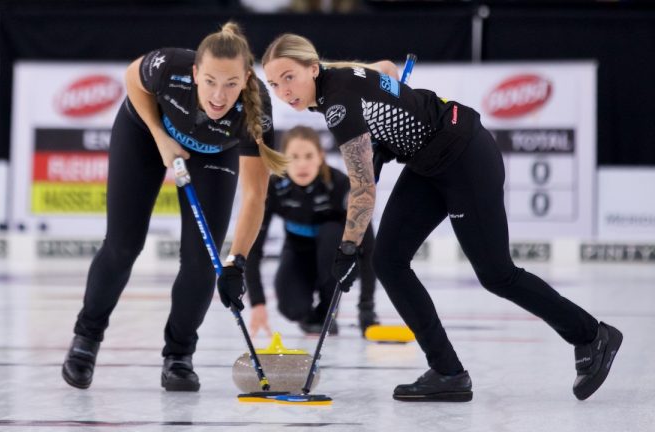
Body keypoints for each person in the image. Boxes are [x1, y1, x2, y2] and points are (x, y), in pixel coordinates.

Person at [261, 33, 622, 402]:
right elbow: (386, 70)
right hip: (428, 161)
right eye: (274, 83)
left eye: (290, 77)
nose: (284, 91)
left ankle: (593, 335)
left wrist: (349, 246)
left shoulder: (336, 103)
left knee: (497, 274)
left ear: (313, 68)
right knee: (388, 260)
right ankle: (448, 371)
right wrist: (385, 135)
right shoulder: (338, 79)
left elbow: (364, 187)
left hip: (464, 156)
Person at [61, 22, 287, 393]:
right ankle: (86, 338)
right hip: (145, 132)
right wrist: (159, 135)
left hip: (214, 154)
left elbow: (254, 194)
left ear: (246, 79)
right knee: (122, 245)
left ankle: (179, 356)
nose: (219, 95)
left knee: (202, 261)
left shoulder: (255, 109)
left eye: (231, 83)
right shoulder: (171, 66)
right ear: (195, 72)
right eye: (211, 80)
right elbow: (133, 76)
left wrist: (238, 261)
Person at [244, 125, 379, 338]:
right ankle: (311, 315)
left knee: (330, 233)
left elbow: (368, 245)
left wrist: (366, 307)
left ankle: (328, 308)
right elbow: (253, 246)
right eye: (294, 157)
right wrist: (257, 302)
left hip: (336, 259)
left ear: (321, 157)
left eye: (308, 156)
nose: (302, 164)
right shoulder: (274, 187)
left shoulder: (340, 185)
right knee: (291, 308)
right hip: (298, 253)